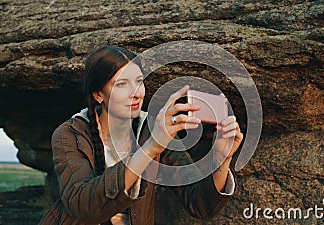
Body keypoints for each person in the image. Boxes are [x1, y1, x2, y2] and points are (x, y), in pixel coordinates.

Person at [39, 45, 244, 225]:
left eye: (139, 81)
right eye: (122, 84)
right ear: (98, 94)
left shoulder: (151, 128)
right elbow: (85, 207)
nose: (136, 93)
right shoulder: (70, 135)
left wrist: (221, 159)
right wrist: (151, 147)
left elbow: (200, 205)